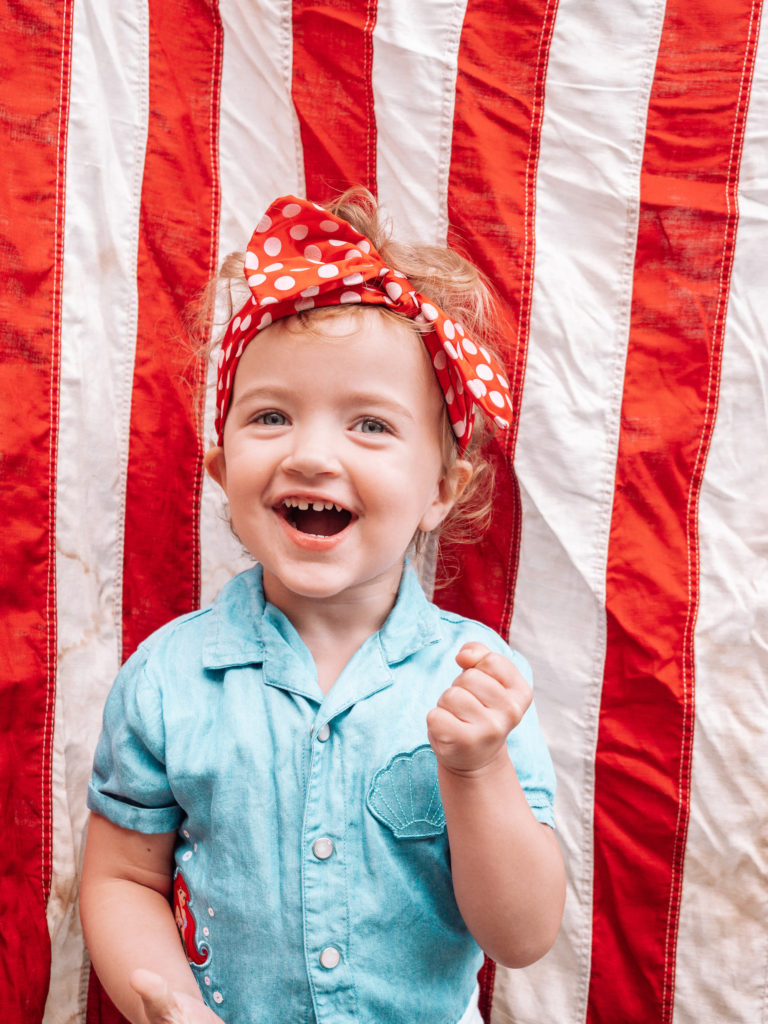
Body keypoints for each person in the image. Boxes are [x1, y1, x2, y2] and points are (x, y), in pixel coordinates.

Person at [80, 192, 566, 1024]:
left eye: (370, 426)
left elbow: (521, 937)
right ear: (219, 467)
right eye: (271, 416)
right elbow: (125, 877)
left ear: (440, 493)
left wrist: (475, 771)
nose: (310, 454)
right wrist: (166, 1001)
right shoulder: (167, 679)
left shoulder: (478, 683)